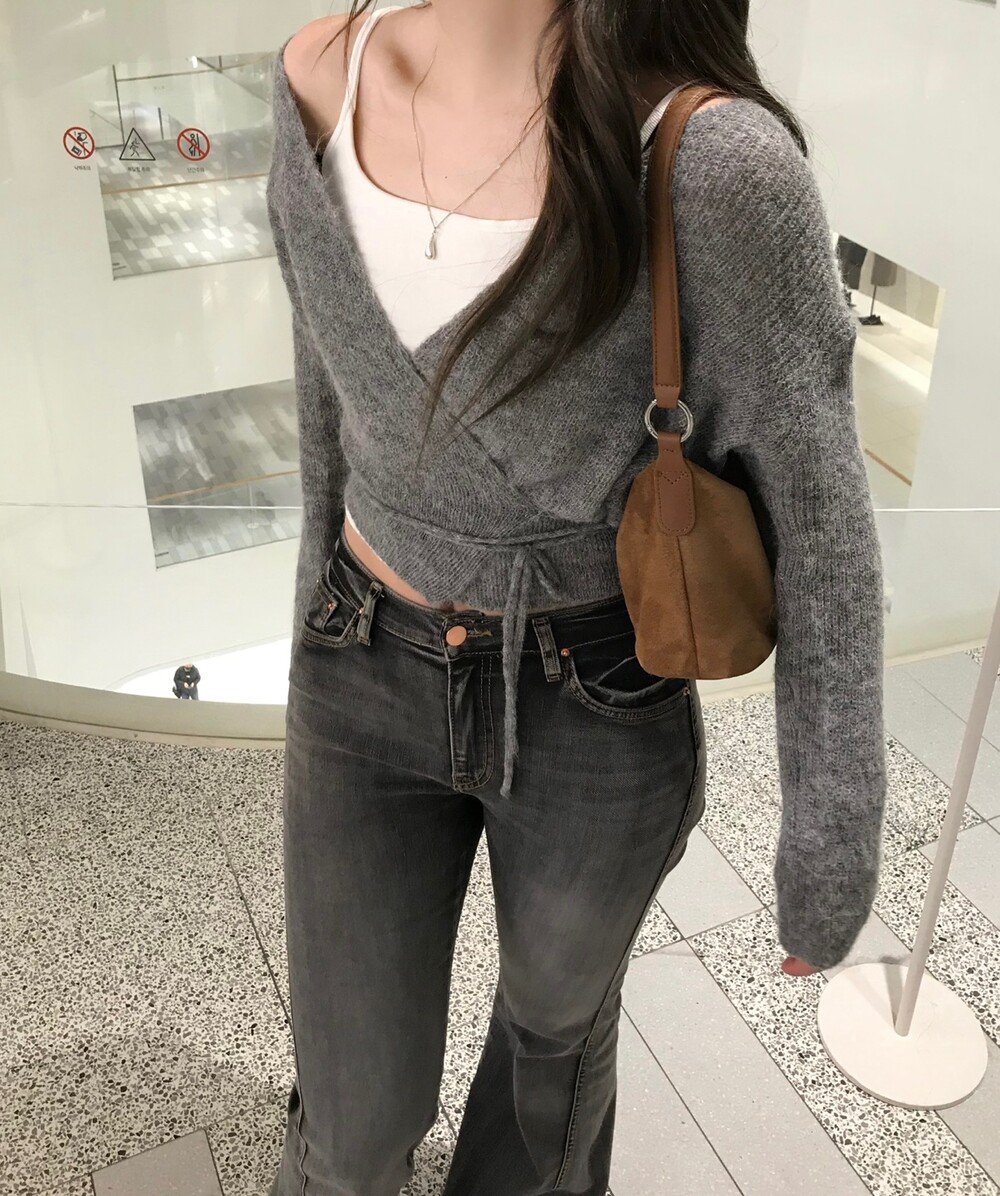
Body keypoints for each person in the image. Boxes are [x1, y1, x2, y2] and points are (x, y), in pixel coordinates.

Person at [266, 3, 887, 1194]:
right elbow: (326, 406)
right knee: (350, 1115)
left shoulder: (709, 160)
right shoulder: (313, 78)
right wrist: (311, 620)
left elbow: (819, 516)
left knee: (550, 1046)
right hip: (360, 664)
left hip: (592, 693)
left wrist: (827, 843)